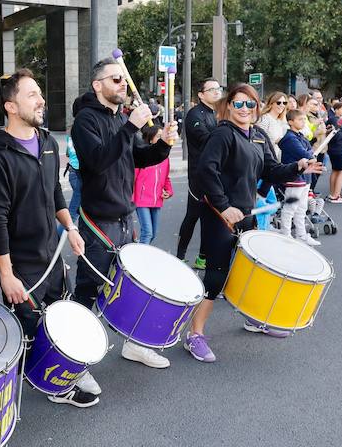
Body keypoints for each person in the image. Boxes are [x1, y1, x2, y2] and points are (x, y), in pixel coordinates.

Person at [0, 69, 90, 407]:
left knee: (57, 318)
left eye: (40, 93)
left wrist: (70, 228)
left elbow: (55, 191)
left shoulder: (48, 142)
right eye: (32, 95)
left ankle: (57, 372)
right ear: (11, 106)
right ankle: (34, 384)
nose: (41, 101)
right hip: (20, 262)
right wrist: (6, 275)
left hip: (50, 253)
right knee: (27, 326)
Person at [185, 83, 321, 360]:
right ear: (228, 106)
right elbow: (205, 172)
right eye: (238, 103)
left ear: (257, 107)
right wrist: (223, 207)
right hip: (219, 216)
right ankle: (194, 335)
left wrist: (298, 166)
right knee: (216, 275)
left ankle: (253, 319)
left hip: (246, 214)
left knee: (248, 270)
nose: (244, 109)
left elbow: (271, 169)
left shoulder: (258, 135)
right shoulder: (222, 135)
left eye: (250, 104)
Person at [70, 59, 177, 369]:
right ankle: (76, 360)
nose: (122, 85)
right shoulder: (85, 121)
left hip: (125, 216)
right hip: (99, 221)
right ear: (97, 85)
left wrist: (164, 145)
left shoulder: (118, 119)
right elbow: (99, 161)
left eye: (124, 81)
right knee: (89, 289)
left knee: (131, 287)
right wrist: (132, 126)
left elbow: (135, 158)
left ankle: (134, 344)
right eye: (116, 79)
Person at [175, 79, 221, 269]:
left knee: (211, 218)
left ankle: (202, 257)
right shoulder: (195, 114)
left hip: (217, 173)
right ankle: (179, 256)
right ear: (201, 94)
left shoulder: (218, 113)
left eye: (218, 89)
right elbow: (205, 138)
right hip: (199, 175)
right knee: (193, 215)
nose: (217, 92)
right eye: (212, 89)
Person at [277, 109, 318, 245]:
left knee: (301, 209)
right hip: (294, 177)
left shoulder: (300, 136)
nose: (303, 121)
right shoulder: (289, 138)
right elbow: (305, 153)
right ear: (290, 122)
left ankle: (301, 235)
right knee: (290, 208)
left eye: (304, 119)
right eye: (300, 119)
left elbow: (309, 151)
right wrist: (309, 154)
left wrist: (310, 154)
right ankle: (286, 235)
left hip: (305, 178)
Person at [133, 123, 173, 245]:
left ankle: (141, 253)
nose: (162, 138)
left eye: (163, 136)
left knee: (153, 233)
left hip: (157, 199)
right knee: (147, 232)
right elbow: (132, 178)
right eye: (159, 136)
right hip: (141, 200)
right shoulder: (141, 157)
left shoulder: (165, 157)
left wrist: (169, 191)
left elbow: (166, 177)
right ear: (150, 139)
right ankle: (140, 260)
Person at [325, 101, 342, 202]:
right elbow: (336, 136)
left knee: (336, 170)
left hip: (334, 149)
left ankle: (333, 194)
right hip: (339, 148)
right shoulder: (335, 120)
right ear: (336, 110)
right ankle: (336, 195)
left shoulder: (335, 119)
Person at [64, 134, 82, 224]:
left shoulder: (70, 137)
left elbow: (67, 153)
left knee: (81, 209)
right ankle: (60, 236)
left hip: (72, 173)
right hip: (79, 174)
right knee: (73, 213)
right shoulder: (83, 137)